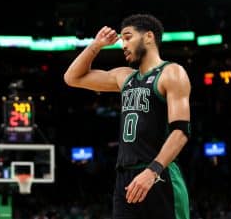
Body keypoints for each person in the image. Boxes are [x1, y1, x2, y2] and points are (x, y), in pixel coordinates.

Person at [64, 14, 191, 219]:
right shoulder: (124, 77)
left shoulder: (171, 72)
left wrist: (153, 171)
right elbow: (72, 78)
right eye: (122, 39)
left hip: (159, 173)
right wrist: (96, 45)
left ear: (148, 36)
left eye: (128, 37)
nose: (123, 44)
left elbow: (180, 132)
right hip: (125, 177)